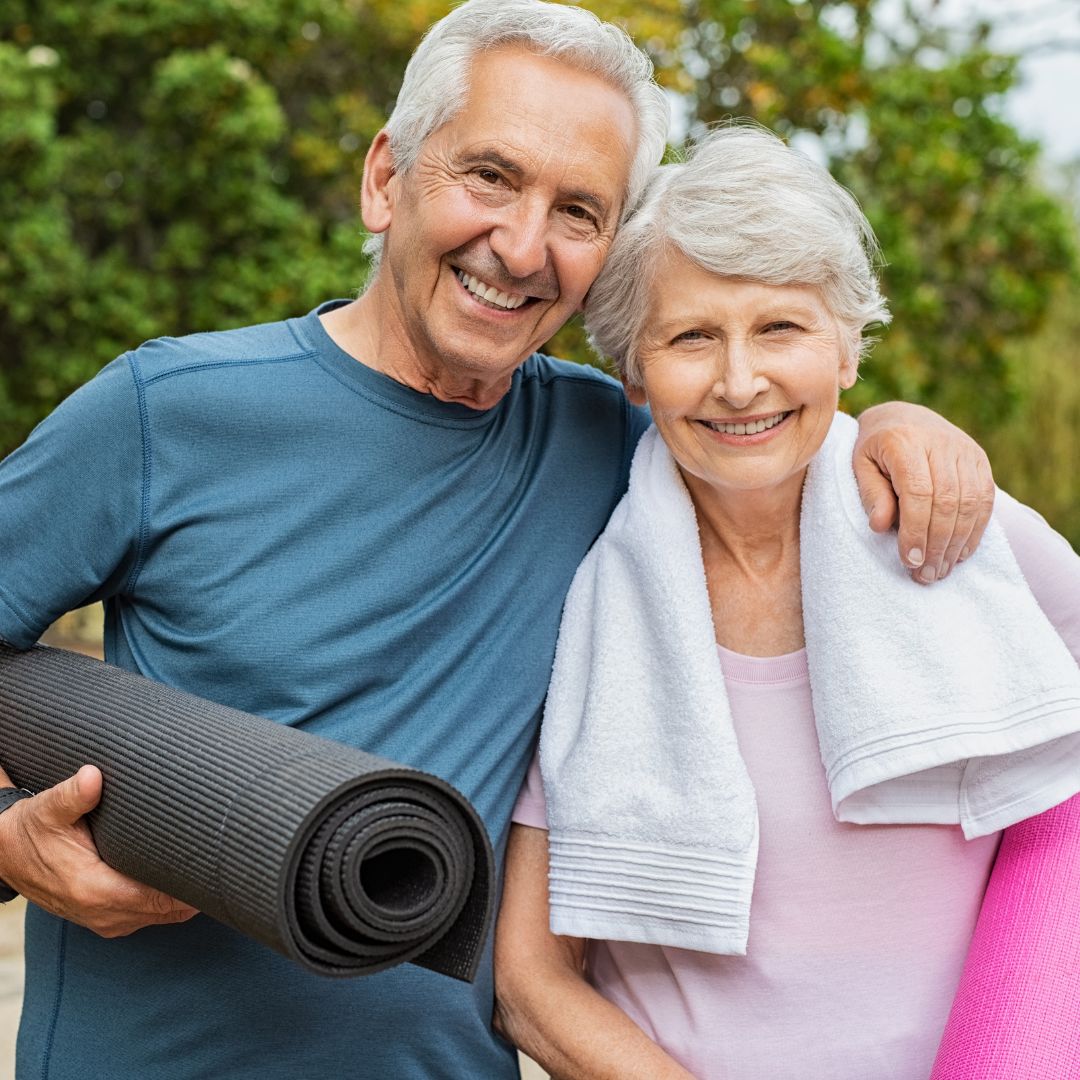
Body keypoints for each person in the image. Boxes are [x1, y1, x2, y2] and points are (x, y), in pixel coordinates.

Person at [0, 3, 996, 1077]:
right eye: (489, 176)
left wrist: (898, 429)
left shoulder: (621, 451)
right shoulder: (164, 413)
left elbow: (773, 416)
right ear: (387, 179)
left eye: (579, 210)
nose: (522, 246)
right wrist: (8, 839)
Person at [493, 125, 1080, 1080]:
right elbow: (531, 981)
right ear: (634, 374)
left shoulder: (970, 540)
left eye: (781, 327)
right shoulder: (586, 597)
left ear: (848, 348)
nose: (739, 380)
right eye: (691, 336)